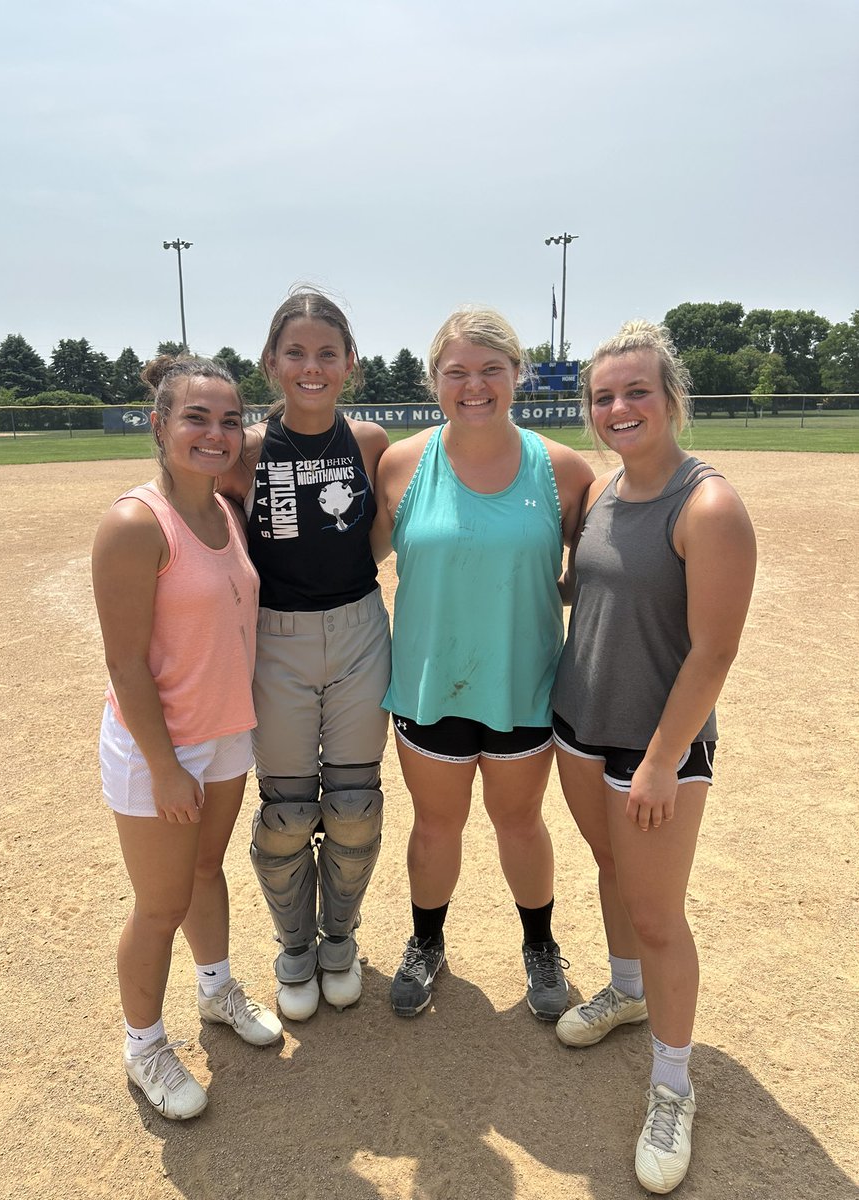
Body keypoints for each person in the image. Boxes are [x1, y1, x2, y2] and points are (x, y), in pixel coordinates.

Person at [551, 321, 756, 1193]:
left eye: (636, 391)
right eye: (604, 396)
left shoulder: (706, 505)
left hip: (655, 745)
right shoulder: (600, 492)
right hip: (578, 722)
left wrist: (669, 759)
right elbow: (581, 590)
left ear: (671, 395)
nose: (619, 408)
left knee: (661, 910)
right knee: (611, 868)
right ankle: (625, 990)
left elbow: (713, 650)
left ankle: (673, 1084)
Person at [373, 306, 594, 1020]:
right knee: (435, 827)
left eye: (491, 369)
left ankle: (539, 946)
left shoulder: (560, 469)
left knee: (520, 822)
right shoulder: (403, 464)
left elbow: (595, 574)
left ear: (516, 375)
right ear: (434, 378)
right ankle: (426, 941)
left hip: (520, 684)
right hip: (431, 684)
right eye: (457, 371)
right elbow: (350, 563)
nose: (474, 385)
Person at [92, 355, 283, 1123]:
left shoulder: (226, 510)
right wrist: (166, 768)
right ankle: (144, 1047)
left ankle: (217, 992)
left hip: (226, 732)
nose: (216, 433)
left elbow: (287, 431)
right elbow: (124, 664)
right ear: (158, 424)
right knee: (159, 904)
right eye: (195, 418)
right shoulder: (137, 523)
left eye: (229, 419)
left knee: (208, 870)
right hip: (158, 747)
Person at [220, 287, 391, 1022]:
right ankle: (293, 945)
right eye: (296, 352)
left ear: (349, 363)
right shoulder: (247, 454)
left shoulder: (373, 441)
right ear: (271, 362)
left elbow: (379, 531)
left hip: (358, 630)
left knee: (354, 807)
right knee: (287, 812)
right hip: (276, 641)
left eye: (327, 353)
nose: (311, 366)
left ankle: (338, 938)